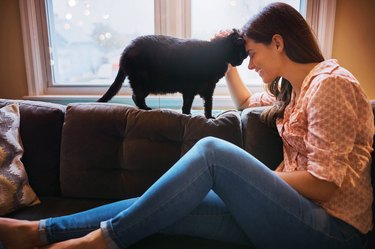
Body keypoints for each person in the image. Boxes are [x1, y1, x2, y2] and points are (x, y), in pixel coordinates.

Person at [0, 2, 373, 249]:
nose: (250, 63)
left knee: (213, 153)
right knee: (161, 204)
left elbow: (324, 185)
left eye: (253, 54)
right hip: (285, 215)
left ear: (278, 43)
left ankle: (98, 242)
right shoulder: (291, 90)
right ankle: (39, 232)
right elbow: (245, 103)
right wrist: (225, 59)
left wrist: (249, 179)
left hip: (331, 229)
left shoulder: (330, 83)